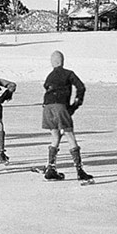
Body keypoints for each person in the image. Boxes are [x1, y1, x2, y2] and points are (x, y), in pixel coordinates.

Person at [41, 50, 94, 182]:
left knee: (55, 135)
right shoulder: (68, 73)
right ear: (62, 61)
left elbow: (46, 88)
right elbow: (80, 87)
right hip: (60, 106)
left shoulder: (49, 76)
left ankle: (51, 168)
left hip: (47, 107)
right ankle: (79, 170)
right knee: (69, 135)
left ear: (52, 62)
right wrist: (76, 104)